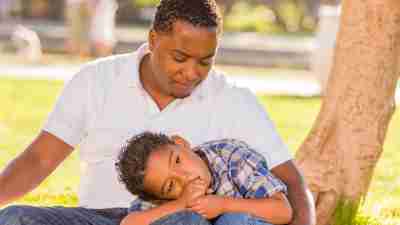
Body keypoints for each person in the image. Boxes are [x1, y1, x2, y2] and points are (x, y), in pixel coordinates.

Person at [0, 0, 315, 225]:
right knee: (15, 219)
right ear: (153, 40)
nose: (192, 72)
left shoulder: (235, 100)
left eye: (205, 61)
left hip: (187, 219)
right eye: (180, 57)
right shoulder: (96, 80)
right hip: (105, 218)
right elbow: (39, 159)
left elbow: (292, 182)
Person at [116, 132, 293, 225]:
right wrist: (181, 203)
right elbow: (129, 223)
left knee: (233, 220)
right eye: (171, 186)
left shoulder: (230, 157)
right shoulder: (156, 187)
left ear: (181, 144)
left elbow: (283, 210)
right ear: (158, 198)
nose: (185, 177)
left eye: (177, 161)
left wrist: (224, 205)